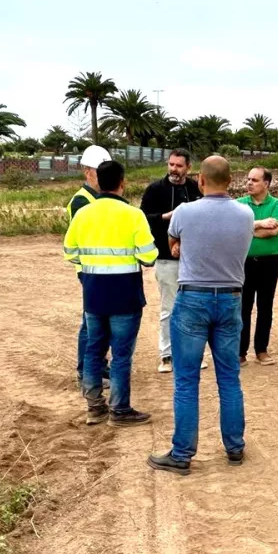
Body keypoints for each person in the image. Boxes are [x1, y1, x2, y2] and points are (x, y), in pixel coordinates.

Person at [148, 156, 255, 475]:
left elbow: (173, 243)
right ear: (231, 180)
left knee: (186, 380)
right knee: (229, 378)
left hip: (192, 298)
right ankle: (235, 447)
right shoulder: (246, 213)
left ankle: (182, 453)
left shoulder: (184, 212)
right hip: (231, 299)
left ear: (201, 181)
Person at [63, 159, 157, 427]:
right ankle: (120, 410)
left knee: (94, 350)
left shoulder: (83, 214)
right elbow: (149, 256)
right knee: (121, 355)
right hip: (125, 295)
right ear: (122, 183)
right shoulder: (133, 215)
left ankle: (95, 407)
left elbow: (70, 252)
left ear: (98, 182)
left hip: (93, 293)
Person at [139, 148, 203, 373]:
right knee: (169, 308)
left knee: (194, 307)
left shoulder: (196, 189)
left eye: (179, 165)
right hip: (166, 259)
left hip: (194, 260)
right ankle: (166, 355)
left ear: (189, 168)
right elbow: (142, 219)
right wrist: (166, 216)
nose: (174, 169)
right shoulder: (155, 189)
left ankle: (192, 354)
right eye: (171, 164)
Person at [68, 145, 112, 389]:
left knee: (101, 322)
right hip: (90, 271)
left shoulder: (100, 198)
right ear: (87, 172)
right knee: (91, 323)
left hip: (105, 270)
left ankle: (99, 366)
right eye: (98, 171)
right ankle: (85, 372)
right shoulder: (81, 201)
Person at [237, 167, 278, 366]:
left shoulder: (277, 205)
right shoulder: (239, 205)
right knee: (243, 307)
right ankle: (240, 352)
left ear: (266, 184)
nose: (249, 183)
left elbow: (273, 232)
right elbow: (234, 230)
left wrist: (247, 229)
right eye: (248, 179)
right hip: (244, 263)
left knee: (265, 306)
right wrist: (259, 223)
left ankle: (261, 350)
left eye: (255, 180)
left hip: (269, 263)